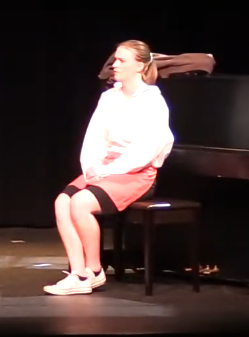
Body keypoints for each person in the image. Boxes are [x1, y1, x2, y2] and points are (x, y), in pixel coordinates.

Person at [44, 39, 174, 296]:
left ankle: (94, 270)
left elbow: (148, 148)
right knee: (62, 202)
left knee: (80, 203)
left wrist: (112, 170)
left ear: (139, 66)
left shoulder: (152, 101)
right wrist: (91, 166)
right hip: (105, 167)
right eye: (115, 59)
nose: (114, 65)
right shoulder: (109, 97)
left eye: (121, 60)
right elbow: (94, 136)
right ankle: (78, 273)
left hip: (135, 172)